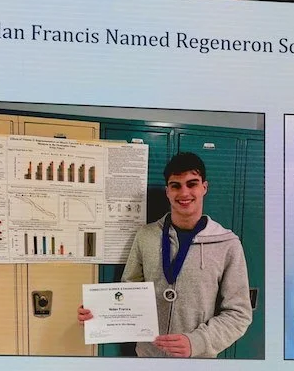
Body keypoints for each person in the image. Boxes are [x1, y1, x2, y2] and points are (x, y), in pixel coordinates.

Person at [78, 152, 252, 358]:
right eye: (176, 185)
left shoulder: (227, 244)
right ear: (167, 191)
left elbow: (238, 314)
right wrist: (100, 313)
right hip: (148, 357)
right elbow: (129, 291)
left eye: (192, 184)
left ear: (204, 187)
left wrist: (197, 342)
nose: (184, 193)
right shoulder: (146, 235)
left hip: (197, 362)